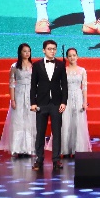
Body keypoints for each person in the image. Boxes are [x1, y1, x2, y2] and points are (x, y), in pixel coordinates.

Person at [29, 39, 68, 172]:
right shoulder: (37, 65)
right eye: (49, 49)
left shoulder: (61, 65)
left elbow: (64, 85)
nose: (52, 51)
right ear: (43, 50)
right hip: (41, 103)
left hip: (56, 103)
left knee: (57, 133)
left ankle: (56, 160)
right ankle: (39, 159)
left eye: (54, 49)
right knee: (40, 132)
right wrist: (33, 102)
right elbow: (33, 85)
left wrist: (64, 102)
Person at [61, 46, 92, 158]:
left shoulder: (82, 70)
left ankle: (77, 149)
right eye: (70, 56)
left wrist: (85, 102)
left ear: (77, 56)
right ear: (67, 58)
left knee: (78, 123)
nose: (72, 57)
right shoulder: (63, 70)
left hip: (78, 97)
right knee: (66, 122)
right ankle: (66, 150)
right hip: (66, 98)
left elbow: (84, 87)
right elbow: (61, 87)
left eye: (74, 55)